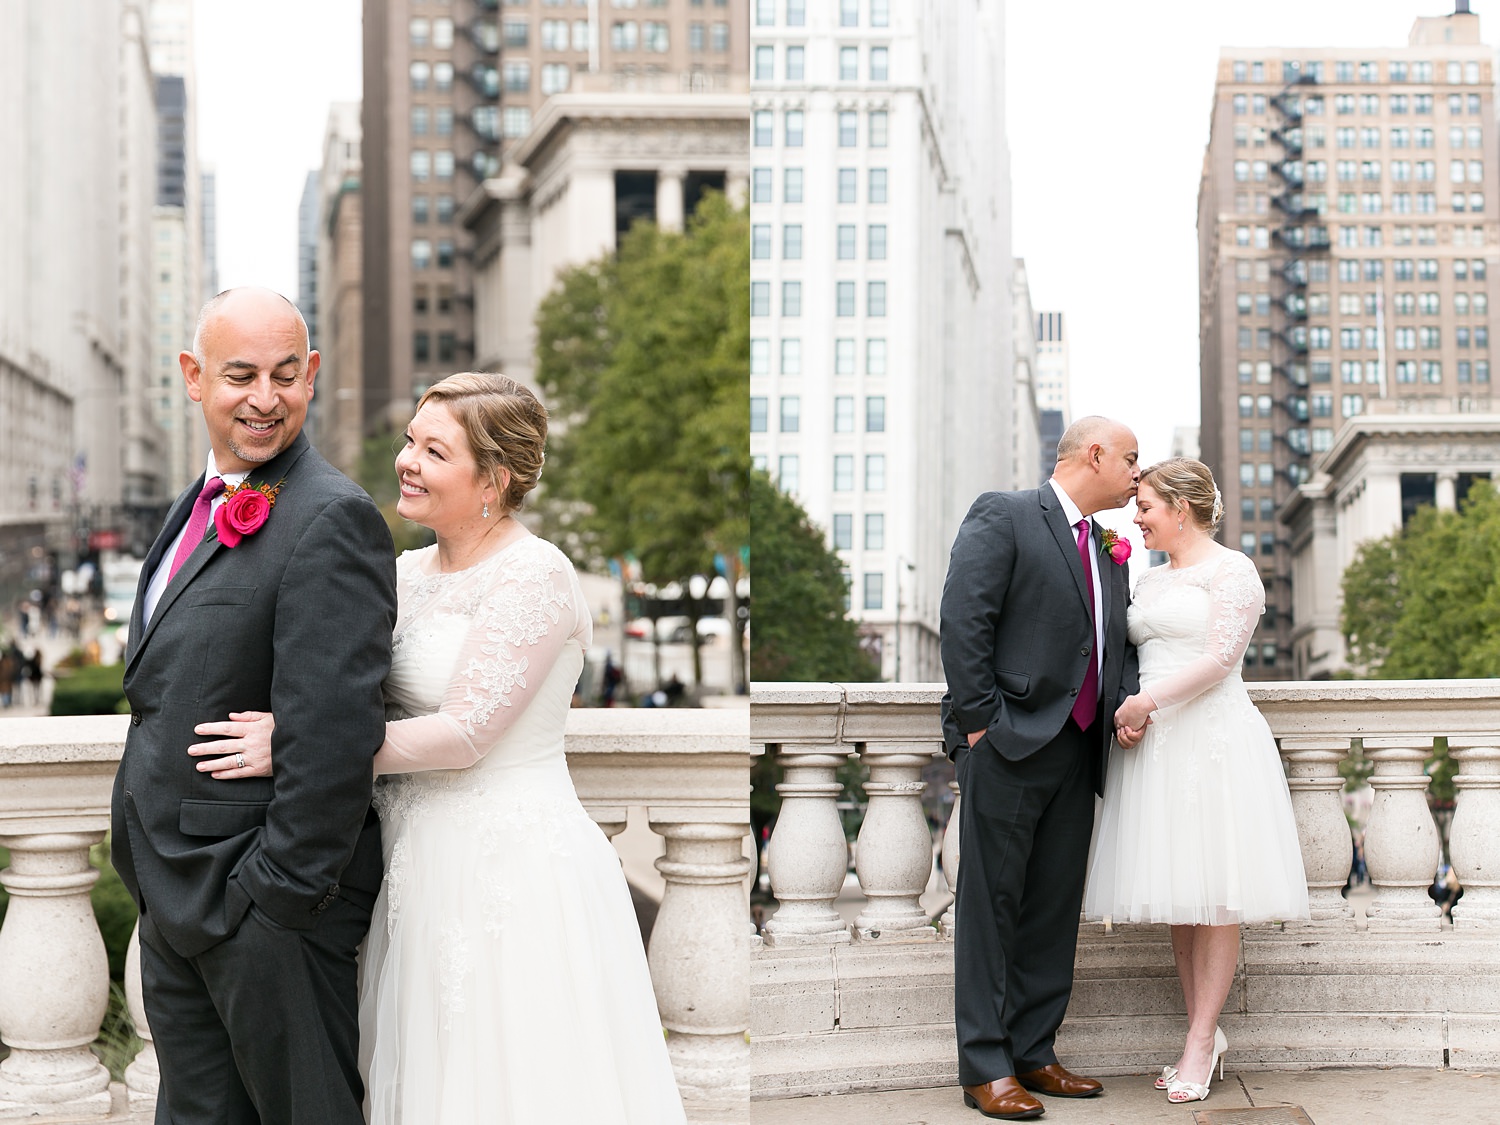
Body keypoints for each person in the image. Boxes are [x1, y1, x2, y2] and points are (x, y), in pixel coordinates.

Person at [189, 372, 687, 1124]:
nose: (406, 461)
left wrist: (296, 744)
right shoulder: (402, 572)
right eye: (409, 441)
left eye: (433, 450)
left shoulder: (536, 573)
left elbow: (463, 733)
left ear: (494, 479)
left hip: (511, 877)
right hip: (412, 868)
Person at [109, 287, 398, 1125]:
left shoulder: (333, 516)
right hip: (173, 894)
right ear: (194, 378)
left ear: (311, 375)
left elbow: (337, 732)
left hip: (263, 911)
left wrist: (273, 900)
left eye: (283, 374)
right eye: (239, 375)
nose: (264, 398)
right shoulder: (191, 505)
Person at [1083, 457, 1310, 1105]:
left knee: (1215, 900)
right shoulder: (1145, 580)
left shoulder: (1232, 570)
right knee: (1179, 898)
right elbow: (1127, 658)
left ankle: (1201, 1041)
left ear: (1180, 508)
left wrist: (1146, 703)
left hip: (1213, 743)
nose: (1137, 517)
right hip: (1154, 749)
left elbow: (1219, 658)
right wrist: (1129, 712)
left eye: (1146, 505)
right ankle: (1200, 1033)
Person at [939, 416, 1144, 1121]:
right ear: (1094, 454)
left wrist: (1125, 707)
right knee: (991, 908)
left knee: (1053, 909)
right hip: (1009, 744)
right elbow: (965, 620)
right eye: (1130, 459)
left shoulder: (1113, 552)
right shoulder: (1005, 515)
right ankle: (986, 1064)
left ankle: (1035, 1050)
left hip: (1081, 751)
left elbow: (1112, 647)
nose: (1137, 474)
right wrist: (981, 726)